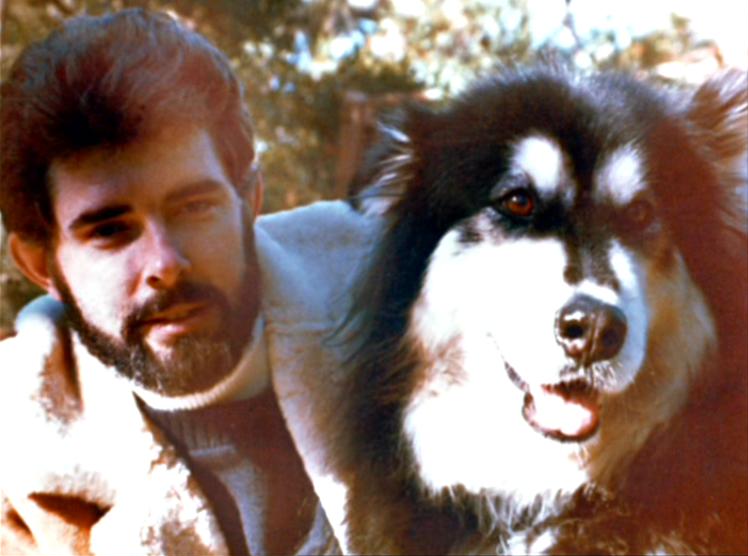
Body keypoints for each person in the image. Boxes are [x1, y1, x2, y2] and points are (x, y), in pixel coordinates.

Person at [0, 8, 373, 555]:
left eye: (195, 207)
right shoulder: (18, 457)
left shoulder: (414, 320)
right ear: (40, 265)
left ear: (250, 201)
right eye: (110, 231)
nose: (165, 263)